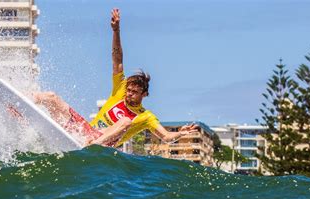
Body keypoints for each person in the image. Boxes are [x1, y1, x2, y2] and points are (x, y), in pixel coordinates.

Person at [32, 8, 199, 147]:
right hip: (83, 132)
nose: (129, 93)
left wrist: (180, 133)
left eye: (135, 91)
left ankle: (92, 147)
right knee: (51, 97)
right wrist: (116, 31)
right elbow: (117, 61)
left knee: (126, 121)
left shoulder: (146, 117)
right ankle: (18, 102)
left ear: (144, 95)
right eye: (129, 90)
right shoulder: (120, 89)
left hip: (102, 144)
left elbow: (166, 137)